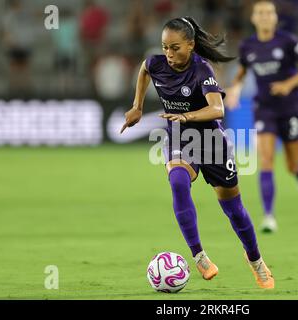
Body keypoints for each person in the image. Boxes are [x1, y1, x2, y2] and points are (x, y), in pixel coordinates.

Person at [120, 17, 275, 289]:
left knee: (234, 209)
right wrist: (137, 106)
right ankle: (199, 255)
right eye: (165, 47)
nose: (169, 54)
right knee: (178, 182)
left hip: (211, 141)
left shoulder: (202, 70)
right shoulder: (157, 63)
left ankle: (256, 260)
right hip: (180, 137)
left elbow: (218, 109)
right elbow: (145, 69)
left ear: (191, 45)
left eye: (175, 47)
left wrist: (186, 115)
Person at [225, 0, 298, 233]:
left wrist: (288, 84)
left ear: (275, 18)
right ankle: (268, 216)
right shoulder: (248, 46)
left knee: (290, 163)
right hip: (264, 108)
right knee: (266, 160)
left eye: (269, 13)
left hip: (290, 109)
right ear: (253, 18)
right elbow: (242, 72)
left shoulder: (288, 42)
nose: (265, 16)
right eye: (260, 13)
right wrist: (234, 89)